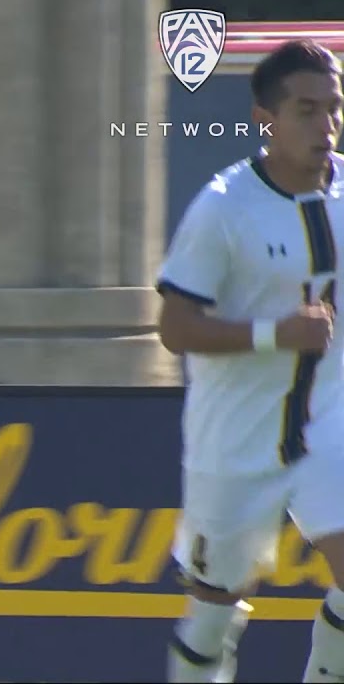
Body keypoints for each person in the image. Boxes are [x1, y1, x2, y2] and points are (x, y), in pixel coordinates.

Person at [156, 38, 342, 683]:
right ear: (267, 120)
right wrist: (276, 335)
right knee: (214, 610)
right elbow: (175, 328)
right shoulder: (223, 207)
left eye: (334, 108)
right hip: (236, 439)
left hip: (330, 425)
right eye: (306, 111)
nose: (326, 125)